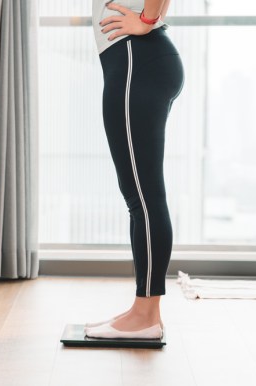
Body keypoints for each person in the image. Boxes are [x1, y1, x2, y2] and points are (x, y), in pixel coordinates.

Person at [84, 0, 184, 339]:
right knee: (141, 198)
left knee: (143, 197)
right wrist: (151, 18)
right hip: (139, 59)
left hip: (135, 60)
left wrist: (147, 20)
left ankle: (146, 316)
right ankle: (143, 308)